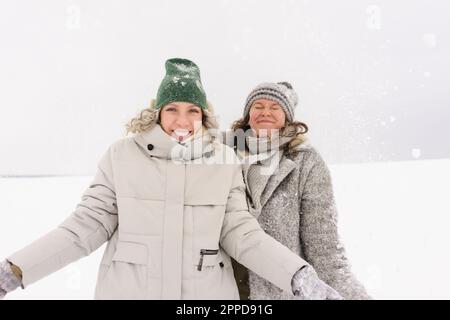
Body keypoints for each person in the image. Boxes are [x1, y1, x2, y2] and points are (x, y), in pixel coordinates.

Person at [0, 59, 341, 300]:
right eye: (173, 109)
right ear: (157, 113)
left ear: (203, 116)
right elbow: (83, 228)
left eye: (193, 110)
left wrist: (297, 275)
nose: (182, 119)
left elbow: (242, 233)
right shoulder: (122, 156)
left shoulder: (223, 160)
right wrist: (17, 270)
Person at [226, 81, 371, 300]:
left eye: (275, 107)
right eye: (258, 105)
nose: (266, 111)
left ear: (287, 117)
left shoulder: (306, 162)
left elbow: (324, 247)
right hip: (224, 290)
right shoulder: (224, 156)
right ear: (248, 115)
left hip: (278, 292)